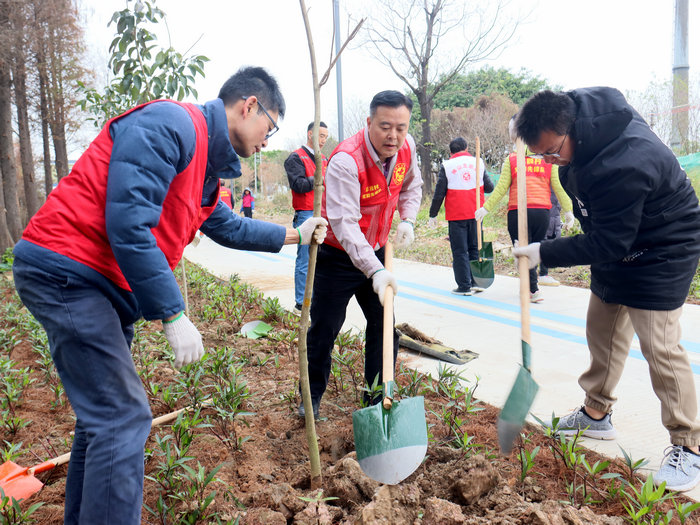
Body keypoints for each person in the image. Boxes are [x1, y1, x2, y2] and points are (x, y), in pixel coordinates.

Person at [11, 66, 327, 524]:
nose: (266, 140)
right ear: (249, 106)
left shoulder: (204, 169)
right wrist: (173, 313)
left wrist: (295, 235)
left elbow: (229, 225)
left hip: (101, 284)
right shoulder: (170, 125)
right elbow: (128, 223)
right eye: (270, 127)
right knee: (122, 418)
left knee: (103, 421)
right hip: (68, 272)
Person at [512, 87, 700, 492]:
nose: (549, 161)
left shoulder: (626, 163)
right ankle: (596, 413)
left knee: (660, 347)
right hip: (618, 236)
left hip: (665, 247)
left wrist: (543, 250)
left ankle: (689, 445)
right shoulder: (576, 122)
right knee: (603, 328)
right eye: (540, 155)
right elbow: (611, 237)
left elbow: (609, 243)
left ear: (569, 131)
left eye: (551, 152)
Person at [302, 90, 422, 419]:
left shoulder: (407, 149)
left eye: (401, 127)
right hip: (338, 255)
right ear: (369, 122)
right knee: (325, 329)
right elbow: (345, 225)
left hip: (378, 250)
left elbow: (412, 186)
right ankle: (310, 398)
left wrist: (408, 219)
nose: (394, 135)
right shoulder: (346, 160)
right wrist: (375, 270)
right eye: (385, 126)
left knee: (385, 327)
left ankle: (375, 403)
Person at [475, 115, 574, 303]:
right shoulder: (548, 161)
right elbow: (558, 187)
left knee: (522, 251)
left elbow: (501, 189)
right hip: (542, 214)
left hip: (518, 212)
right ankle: (529, 287)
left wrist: (485, 208)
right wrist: (568, 211)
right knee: (533, 250)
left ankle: (533, 290)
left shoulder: (511, 160)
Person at [428, 137, 494, 295]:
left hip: (456, 215)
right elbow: (490, 187)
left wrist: (433, 214)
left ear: (451, 152)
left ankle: (464, 286)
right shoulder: (478, 162)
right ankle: (477, 282)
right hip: (476, 213)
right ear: (466, 148)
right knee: (475, 248)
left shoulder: (447, 165)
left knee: (459, 251)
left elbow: (439, 194)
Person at [285, 121, 329, 314]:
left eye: (326, 137)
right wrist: (319, 178)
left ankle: (314, 300)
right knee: (305, 260)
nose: (324, 140)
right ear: (310, 134)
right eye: (321, 136)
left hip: (324, 214)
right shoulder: (296, 157)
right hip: (305, 213)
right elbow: (299, 185)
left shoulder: (324, 159)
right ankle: (300, 304)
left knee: (322, 259)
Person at [537, 189, 563, 286]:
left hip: (552, 215)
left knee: (545, 243)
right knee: (543, 243)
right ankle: (542, 275)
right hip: (546, 214)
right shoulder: (550, 180)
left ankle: (543, 274)